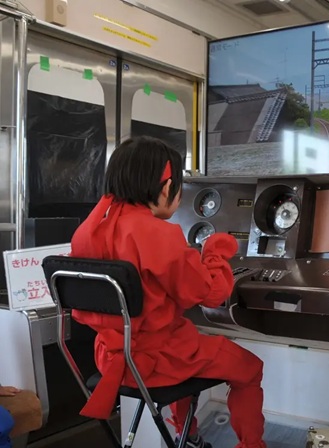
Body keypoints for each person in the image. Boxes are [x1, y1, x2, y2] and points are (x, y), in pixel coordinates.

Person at [69, 136, 266, 448]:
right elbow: (212, 294)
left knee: (186, 343)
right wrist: (216, 251)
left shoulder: (89, 231)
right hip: (160, 361)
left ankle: (188, 438)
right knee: (251, 368)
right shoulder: (159, 234)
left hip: (111, 357)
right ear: (167, 187)